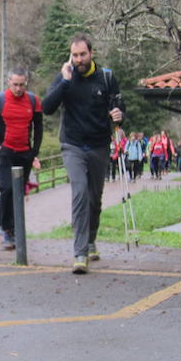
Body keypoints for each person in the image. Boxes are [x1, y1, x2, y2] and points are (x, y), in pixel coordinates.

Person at [41, 34, 124, 274]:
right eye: (75, 55)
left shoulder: (106, 78)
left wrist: (119, 115)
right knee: (79, 192)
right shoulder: (65, 77)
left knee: (94, 198)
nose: (79, 59)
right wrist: (65, 82)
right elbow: (47, 108)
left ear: (91, 53)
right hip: (73, 145)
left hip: (98, 144)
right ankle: (80, 253)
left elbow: (119, 107)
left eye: (83, 54)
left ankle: (90, 240)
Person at [0, 68, 43, 250]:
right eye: (15, 84)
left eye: (21, 85)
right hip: (4, 152)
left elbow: (38, 127)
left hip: (24, 153)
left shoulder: (33, 100)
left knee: (18, 192)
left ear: (26, 83)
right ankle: (6, 229)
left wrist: (34, 151)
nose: (18, 88)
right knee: (7, 189)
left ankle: (15, 228)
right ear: (8, 82)